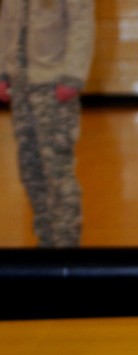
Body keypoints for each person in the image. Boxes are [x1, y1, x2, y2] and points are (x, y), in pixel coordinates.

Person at [0, 0, 94, 247]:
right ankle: (46, 244)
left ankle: (65, 249)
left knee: (57, 171)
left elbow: (82, 24)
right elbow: (5, 24)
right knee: (31, 170)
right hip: (21, 86)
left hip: (53, 85)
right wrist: (2, 71)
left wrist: (73, 76)